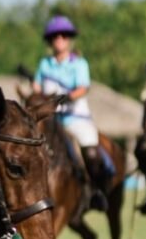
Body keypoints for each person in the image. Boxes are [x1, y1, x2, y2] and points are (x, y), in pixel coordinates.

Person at [32, 15, 110, 212]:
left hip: (75, 118)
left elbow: (83, 88)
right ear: (50, 40)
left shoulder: (79, 63)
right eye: (55, 36)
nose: (60, 39)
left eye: (64, 36)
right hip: (50, 120)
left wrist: (64, 98)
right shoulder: (44, 65)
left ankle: (95, 191)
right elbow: (37, 88)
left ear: (69, 39)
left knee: (90, 151)